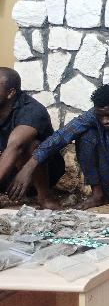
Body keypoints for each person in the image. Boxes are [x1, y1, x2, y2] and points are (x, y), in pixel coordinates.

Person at [11, 84, 109, 209]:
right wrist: (29, 166)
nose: (105, 120)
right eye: (101, 115)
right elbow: (62, 135)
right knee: (85, 135)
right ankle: (98, 195)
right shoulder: (93, 115)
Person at [0, 67, 63, 208]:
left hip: (38, 171)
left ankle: (44, 197)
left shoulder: (32, 110)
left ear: (10, 93)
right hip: (8, 169)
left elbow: (16, 147)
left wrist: (26, 170)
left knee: (31, 145)